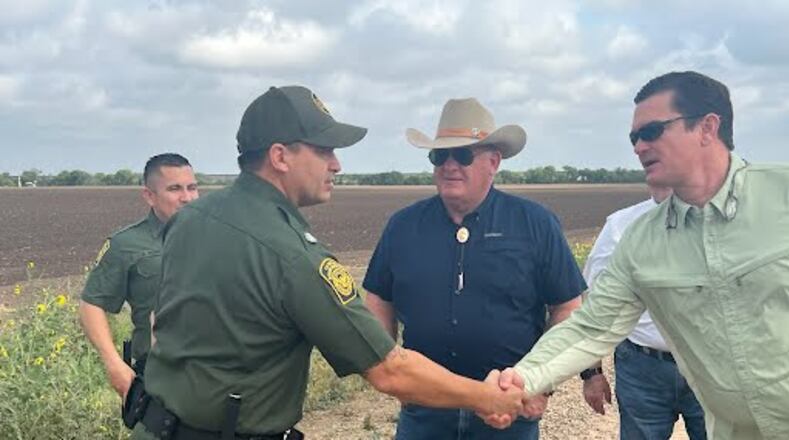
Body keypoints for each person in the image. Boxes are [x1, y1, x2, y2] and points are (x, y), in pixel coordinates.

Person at [130, 86, 523, 440]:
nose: (336, 164)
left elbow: (159, 321)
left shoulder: (190, 218)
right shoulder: (295, 255)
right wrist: (486, 397)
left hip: (154, 426)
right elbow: (390, 370)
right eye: (324, 150)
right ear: (280, 156)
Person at [486, 71, 789, 439]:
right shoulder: (641, 241)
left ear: (708, 127)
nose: (638, 147)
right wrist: (523, 377)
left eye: (651, 132)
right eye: (634, 137)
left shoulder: (782, 195)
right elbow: (592, 326)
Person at [363, 97, 595, 439]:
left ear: (494, 161)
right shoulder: (402, 226)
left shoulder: (535, 224)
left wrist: (541, 384)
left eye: (463, 155)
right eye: (440, 156)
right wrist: (392, 371)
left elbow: (567, 307)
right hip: (425, 411)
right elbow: (378, 299)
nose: (450, 165)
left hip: (510, 411)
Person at [582, 183, 707, 439]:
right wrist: (591, 373)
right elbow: (592, 304)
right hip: (642, 369)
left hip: (709, 366)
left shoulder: (721, 224)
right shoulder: (620, 226)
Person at [80, 153, 199, 400]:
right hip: (156, 375)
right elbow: (92, 303)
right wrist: (113, 363)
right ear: (149, 196)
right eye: (175, 189)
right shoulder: (127, 244)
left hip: (216, 373)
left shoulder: (218, 236)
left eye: (192, 188)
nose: (187, 198)